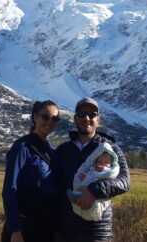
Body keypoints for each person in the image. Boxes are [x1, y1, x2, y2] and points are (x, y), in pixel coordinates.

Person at [52, 97, 130, 241]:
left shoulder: (110, 149)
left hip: (97, 231)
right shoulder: (63, 150)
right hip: (64, 232)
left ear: (98, 119)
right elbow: (53, 185)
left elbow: (124, 181)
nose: (87, 118)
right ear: (75, 118)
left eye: (92, 114)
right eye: (82, 114)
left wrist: (94, 191)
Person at [2, 100, 61, 242]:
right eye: (45, 117)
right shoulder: (22, 147)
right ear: (35, 117)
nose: (49, 121)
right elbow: (10, 189)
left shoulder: (53, 151)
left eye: (54, 118)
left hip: (47, 227)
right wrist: (15, 230)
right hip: (25, 226)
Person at [67, 144, 119, 221]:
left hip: (98, 196)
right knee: (79, 198)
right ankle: (74, 198)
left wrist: (92, 190)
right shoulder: (92, 169)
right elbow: (87, 174)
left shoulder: (109, 172)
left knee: (95, 204)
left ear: (111, 165)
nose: (102, 164)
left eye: (106, 162)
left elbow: (111, 183)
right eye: (100, 161)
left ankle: (93, 212)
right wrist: (83, 176)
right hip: (83, 188)